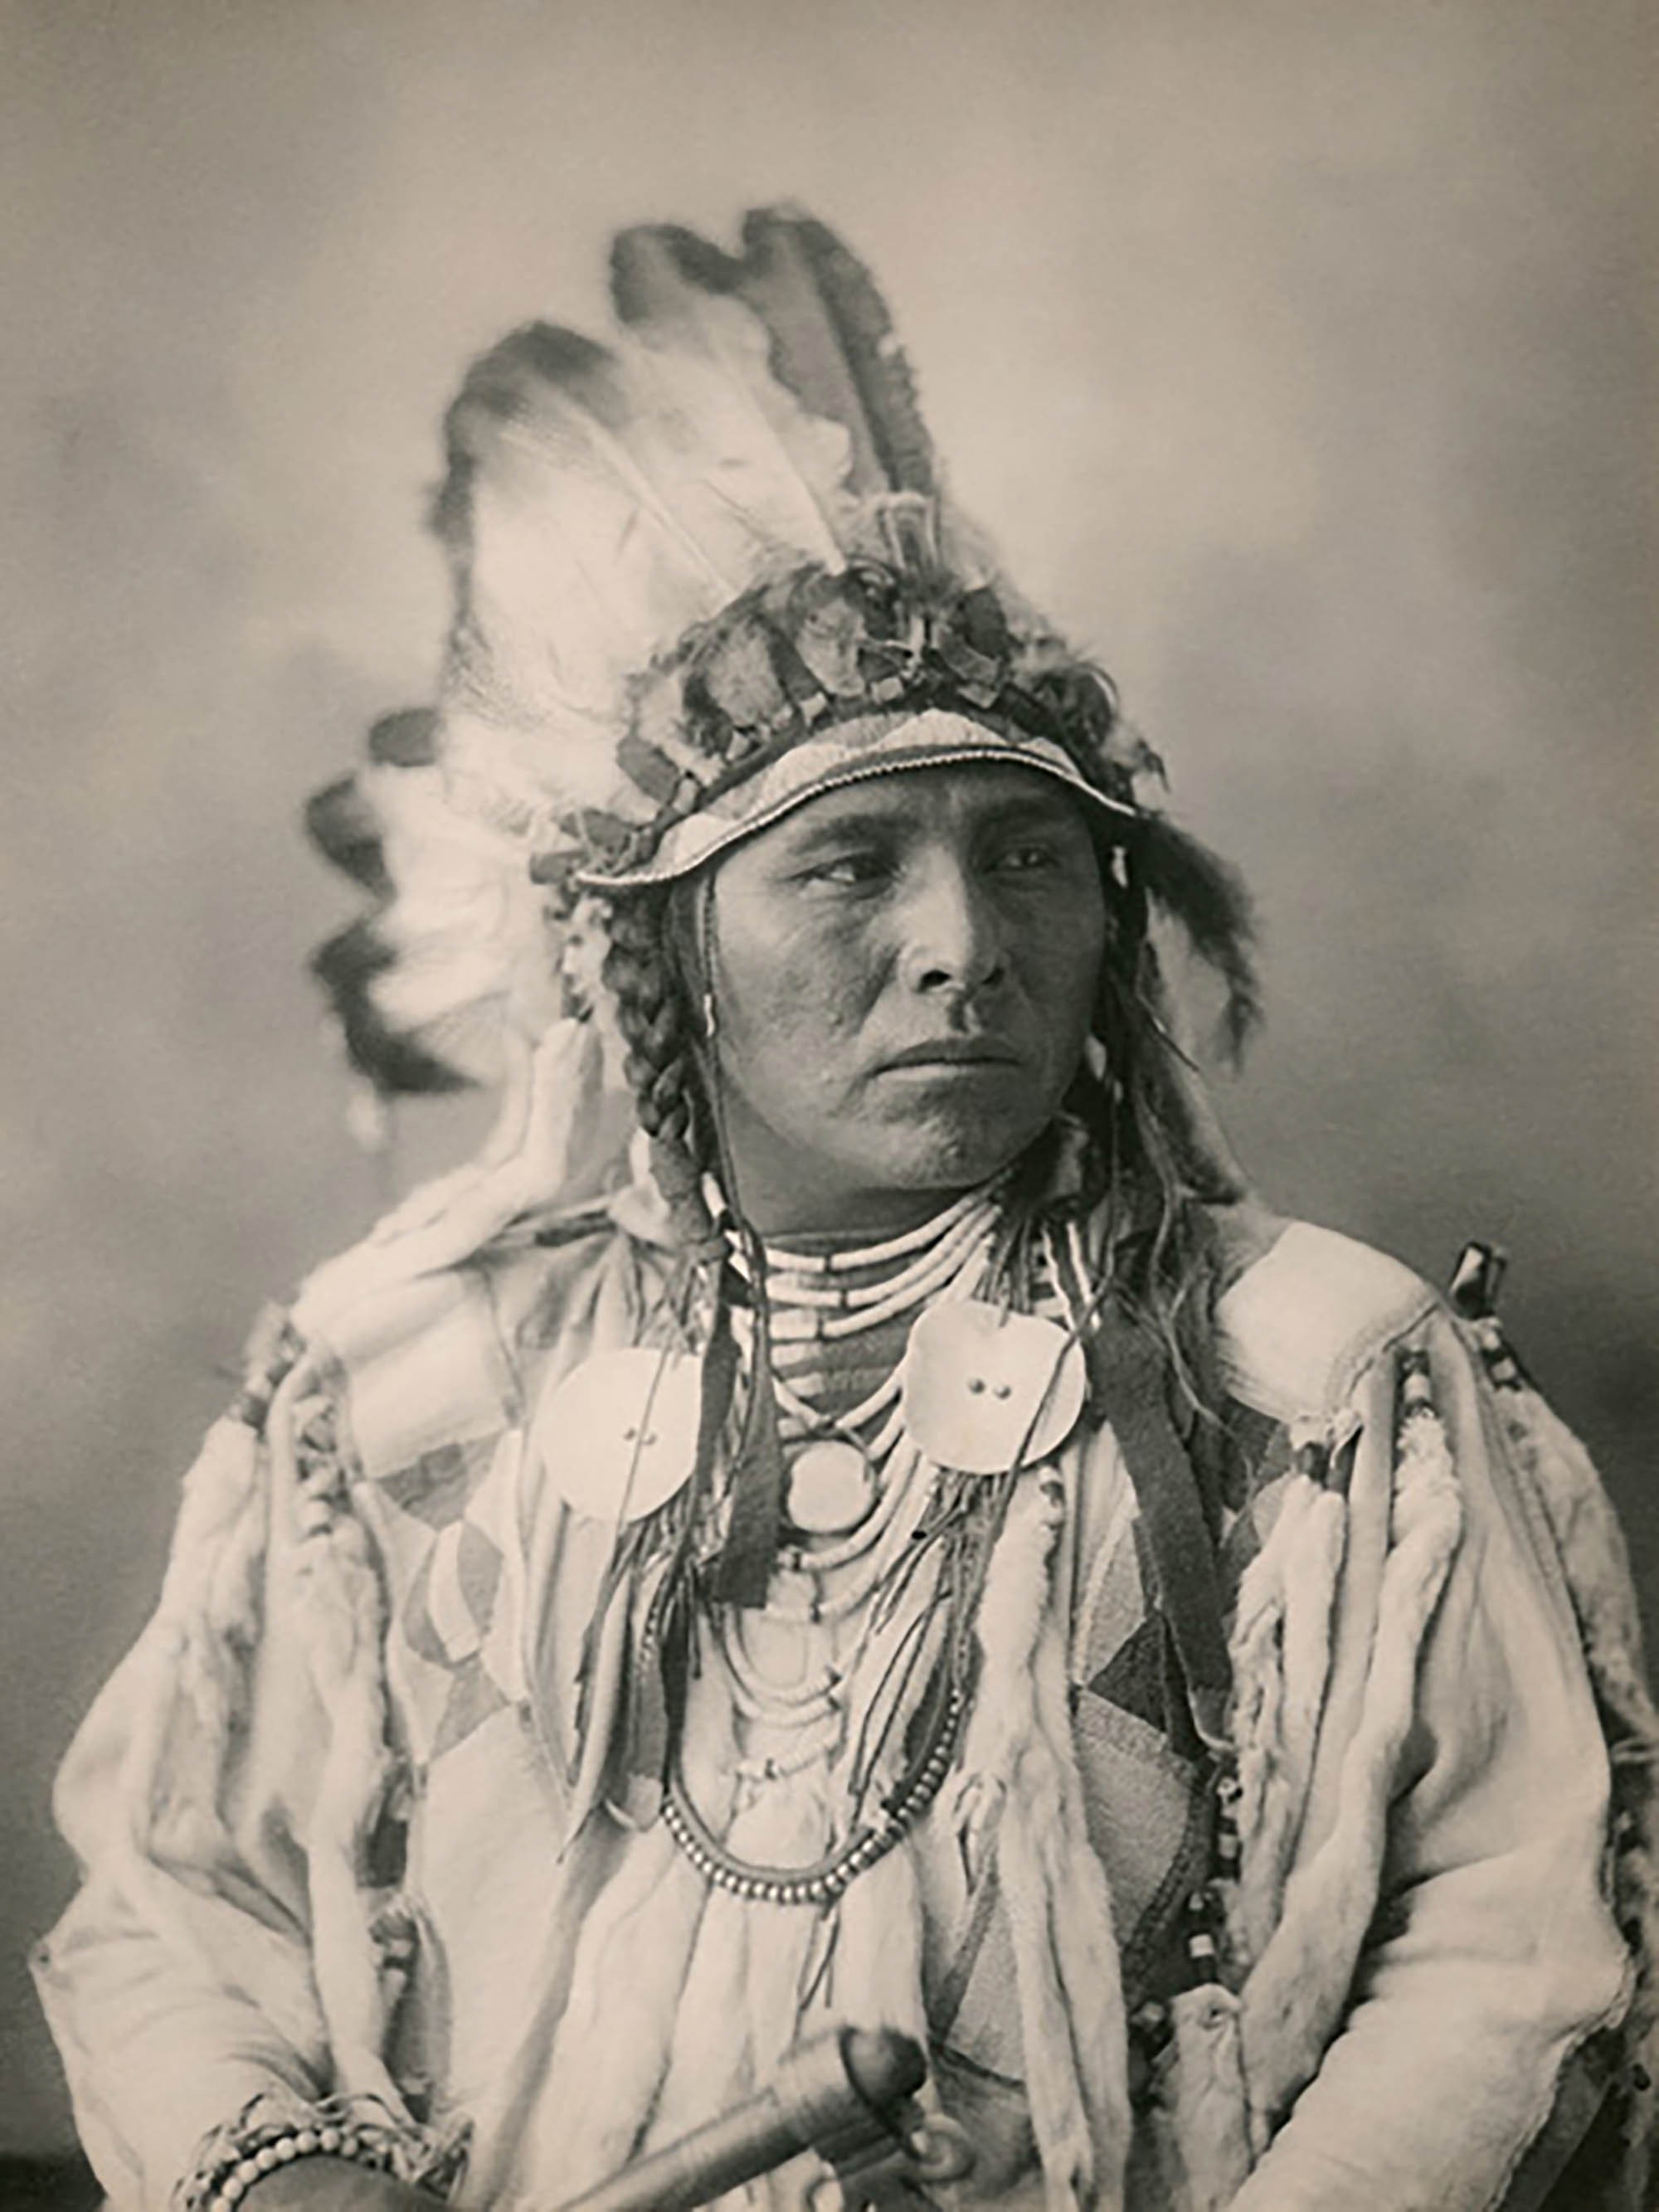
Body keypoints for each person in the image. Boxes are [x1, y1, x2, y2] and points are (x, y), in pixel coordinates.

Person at [34, 208, 1659, 2212]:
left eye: (1029, 857)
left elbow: (1505, 1942)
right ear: (663, 959)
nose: (963, 943)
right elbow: (174, 1902)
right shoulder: (404, 1387)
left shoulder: (1316, 1385)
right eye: (851, 862)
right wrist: (281, 2175)